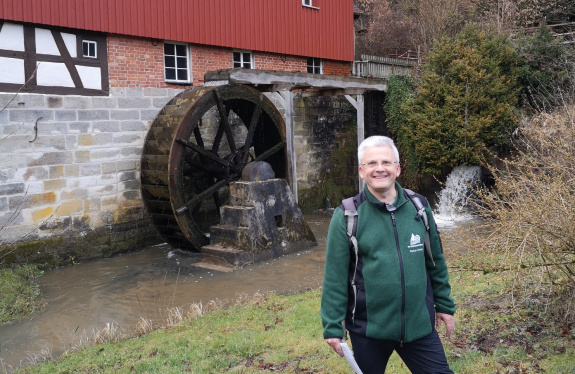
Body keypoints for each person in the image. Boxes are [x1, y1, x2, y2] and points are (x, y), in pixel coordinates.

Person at [321, 135, 456, 373]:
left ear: (398, 168)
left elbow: (435, 261)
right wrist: (333, 325)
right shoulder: (347, 216)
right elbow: (335, 276)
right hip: (368, 331)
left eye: (386, 162)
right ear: (362, 171)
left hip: (418, 327)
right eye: (372, 163)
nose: (379, 168)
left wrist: (444, 305)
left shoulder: (419, 207)